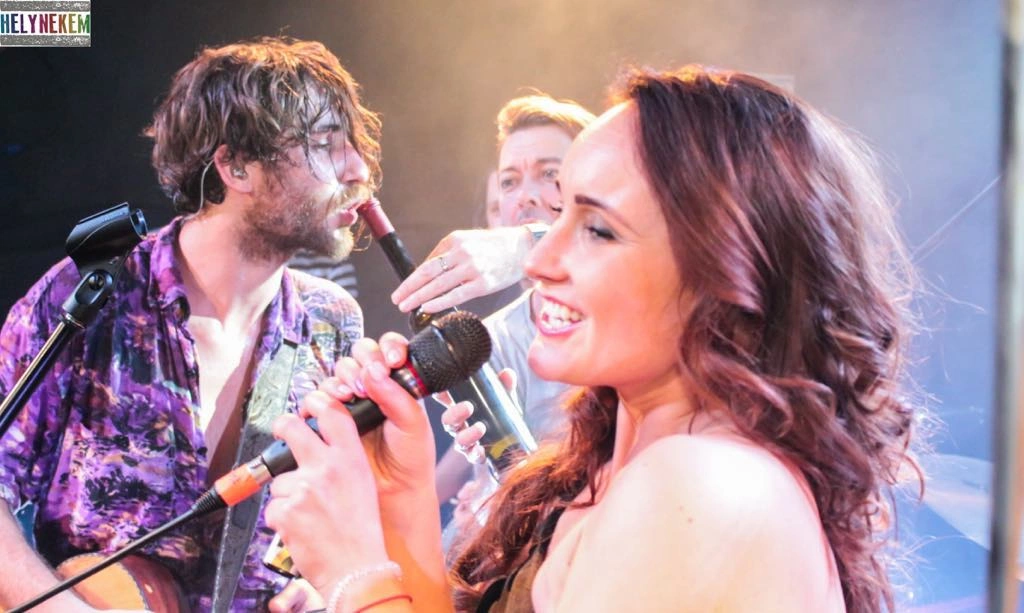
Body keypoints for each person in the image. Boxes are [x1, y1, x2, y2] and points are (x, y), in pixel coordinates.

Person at [266, 65, 921, 612]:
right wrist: (402, 499)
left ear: (727, 274)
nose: (538, 260)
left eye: (598, 230)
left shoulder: (701, 485)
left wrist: (356, 572)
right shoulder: (614, 465)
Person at [0, 37, 379, 612]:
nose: (358, 168)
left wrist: (321, 585)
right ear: (236, 166)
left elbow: (344, 515)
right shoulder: (91, 298)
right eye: (326, 145)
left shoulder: (331, 322)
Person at [420, 96, 595, 525]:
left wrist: (532, 241)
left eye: (550, 174)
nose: (526, 197)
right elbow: (510, 476)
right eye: (510, 182)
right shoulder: (492, 337)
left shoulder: (635, 299)